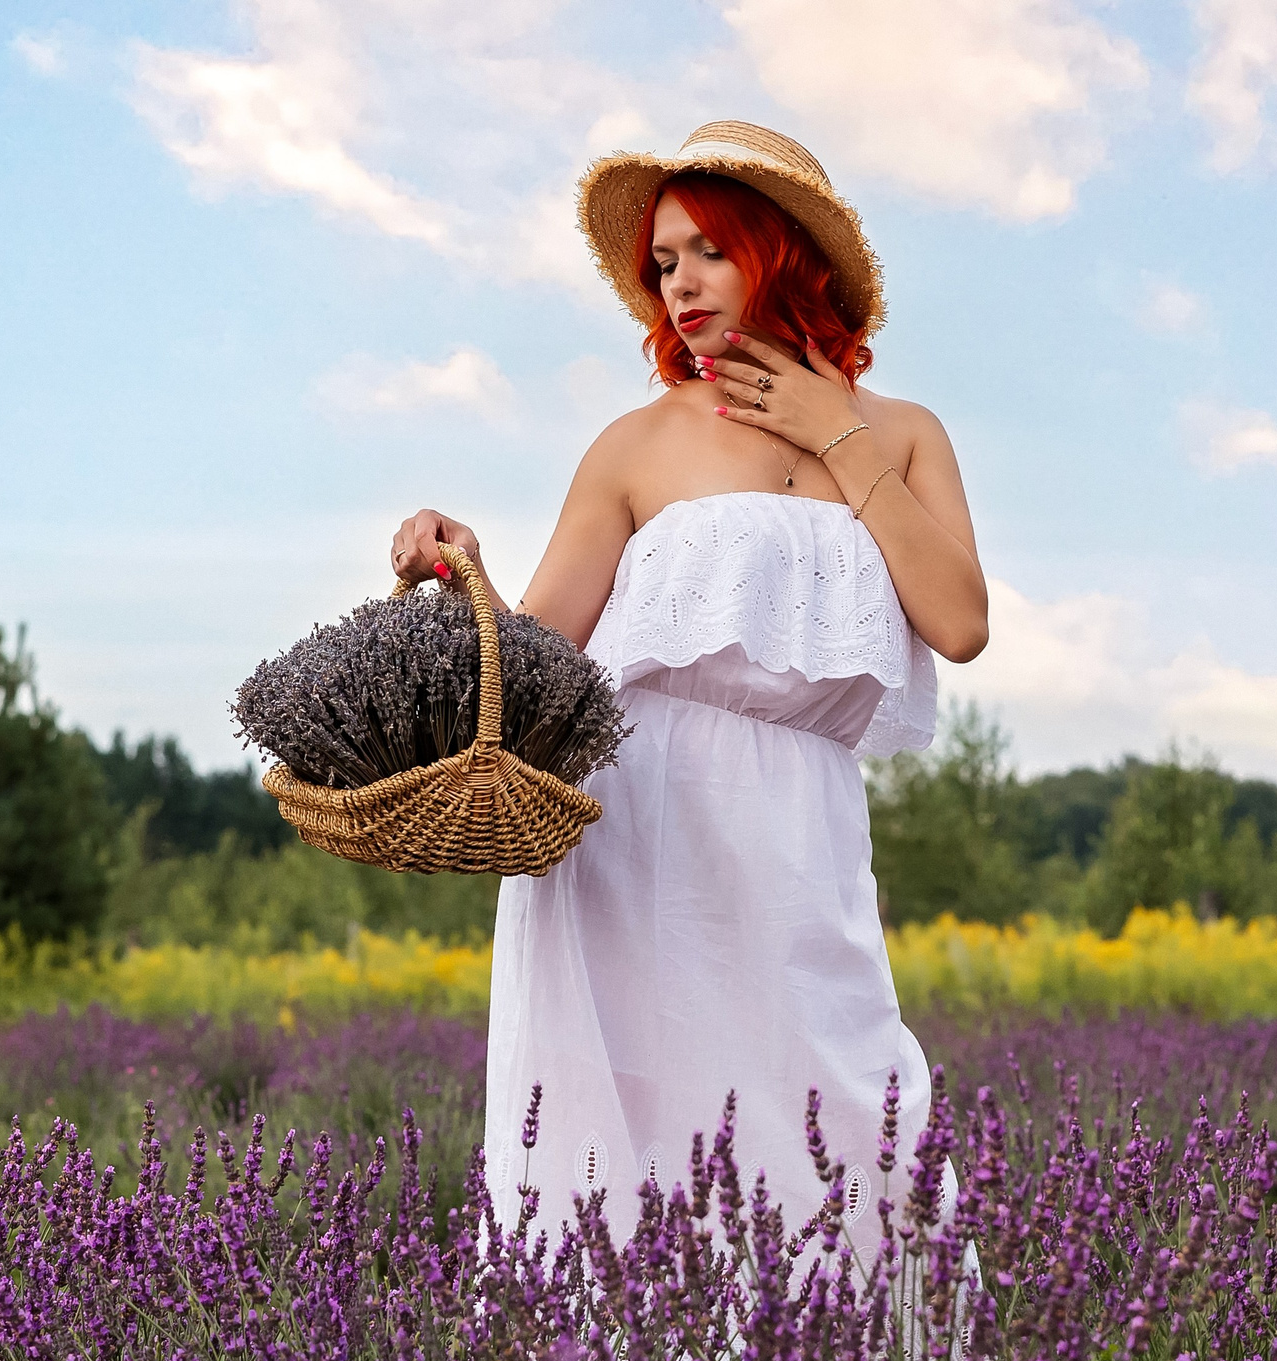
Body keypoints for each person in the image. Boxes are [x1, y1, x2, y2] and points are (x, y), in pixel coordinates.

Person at [387, 120, 989, 1258]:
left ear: (781, 251)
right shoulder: (635, 445)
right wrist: (463, 570)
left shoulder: (905, 437)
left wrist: (839, 436)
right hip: (627, 827)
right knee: (637, 1138)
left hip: (800, 825)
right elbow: (534, 660)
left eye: (708, 249)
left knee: (855, 1113)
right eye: (662, 264)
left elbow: (959, 622)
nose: (679, 285)